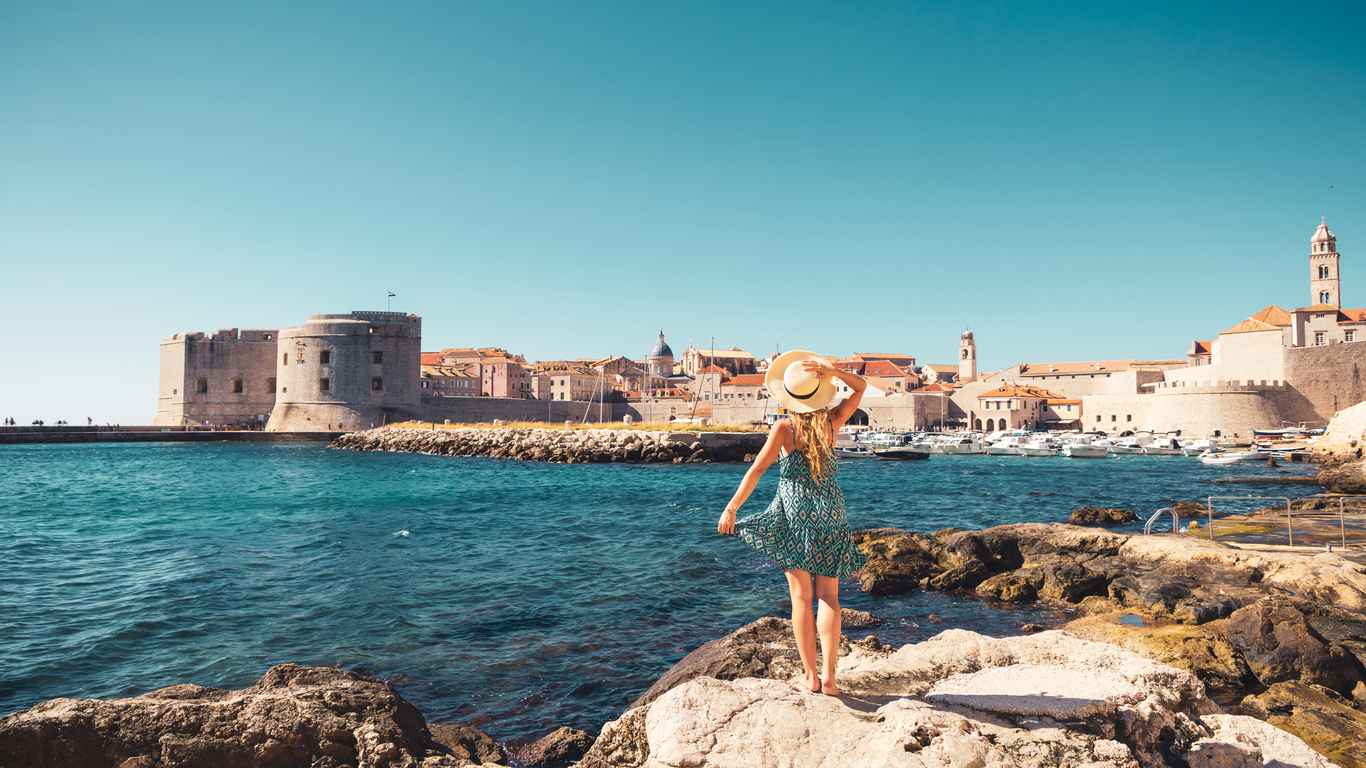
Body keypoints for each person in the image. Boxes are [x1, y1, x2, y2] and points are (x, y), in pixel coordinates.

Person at [718, 351, 867, 696]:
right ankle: (830, 677)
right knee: (830, 596)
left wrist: (732, 508)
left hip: (796, 511)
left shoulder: (785, 427)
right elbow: (860, 388)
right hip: (831, 510)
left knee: (801, 597)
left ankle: (810, 676)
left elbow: (757, 470)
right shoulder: (832, 421)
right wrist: (833, 371)